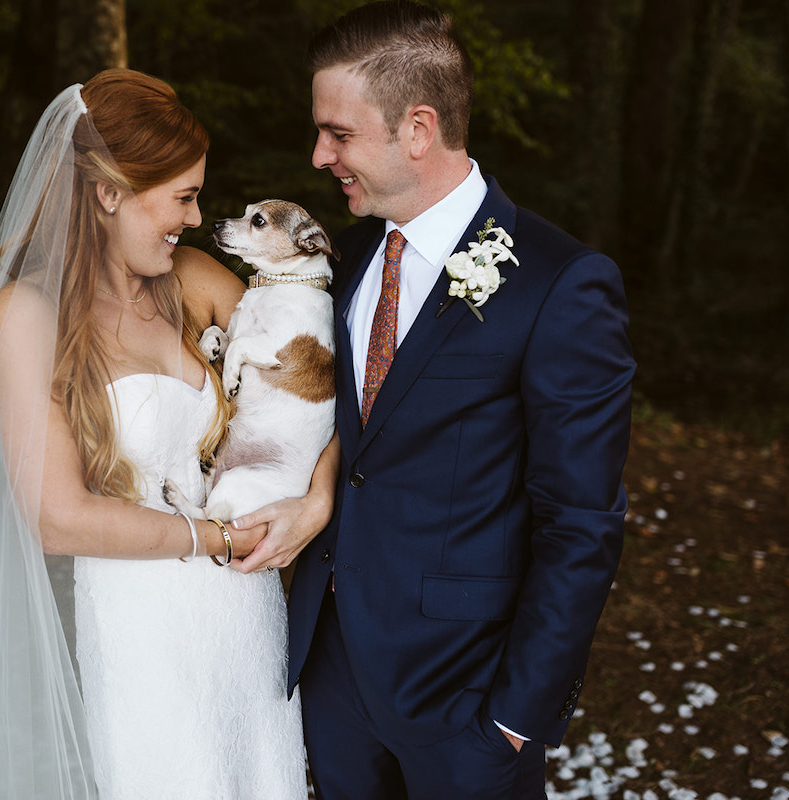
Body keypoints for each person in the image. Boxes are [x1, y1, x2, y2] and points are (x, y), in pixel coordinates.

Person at [232, 3, 635, 797]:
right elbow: (354, 441)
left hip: (467, 702)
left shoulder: (559, 283)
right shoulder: (339, 261)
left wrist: (516, 720)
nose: (319, 156)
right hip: (331, 676)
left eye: (338, 135)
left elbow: (581, 524)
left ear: (417, 128)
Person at [0, 69, 325, 800]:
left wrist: (314, 502)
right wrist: (214, 541)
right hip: (140, 628)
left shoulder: (193, 280)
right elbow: (56, 516)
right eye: (183, 197)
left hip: (248, 617)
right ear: (108, 194)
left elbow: (317, 387)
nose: (195, 220)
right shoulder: (27, 316)